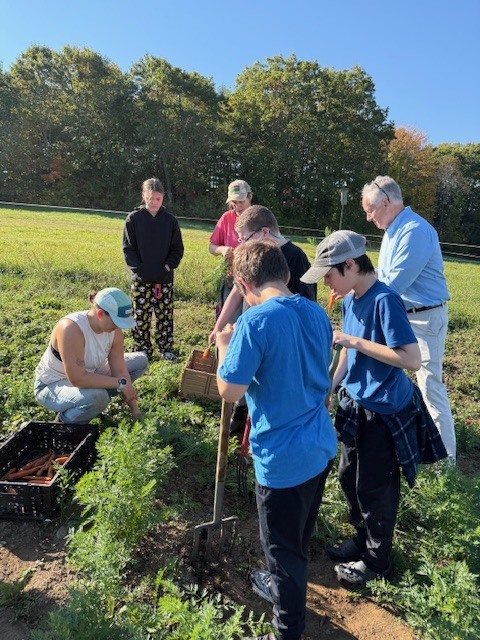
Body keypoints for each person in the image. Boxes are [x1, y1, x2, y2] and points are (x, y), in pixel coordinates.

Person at [300, 230, 447, 588]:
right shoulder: (351, 297)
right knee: (348, 478)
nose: (329, 285)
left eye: (331, 275)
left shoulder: (385, 301)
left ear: (350, 264)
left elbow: (410, 359)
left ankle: (378, 561)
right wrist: (331, 387)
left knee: (375, 488)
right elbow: (349, 354)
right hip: (356, 402)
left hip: (384, 410)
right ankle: (362, 540)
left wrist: (355, 341)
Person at [216, 240, 337, 640]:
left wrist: (223, 347)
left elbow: (230, 391)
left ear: (242, 282)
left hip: (282, 461)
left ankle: (286, 631)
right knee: (297, 536)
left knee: (283, 552)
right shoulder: (317, 313)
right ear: (286, 275)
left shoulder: (256, 322)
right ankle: (281, 582)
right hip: (319, 447)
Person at [361, 176, 456, 462]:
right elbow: (381, 275)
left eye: (370, 210)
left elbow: (393, 284)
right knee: (391, 376)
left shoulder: (415, 230)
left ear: (386, 203)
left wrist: (362, 293)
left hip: (425, 319)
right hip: (403, 314)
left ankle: (445, 465)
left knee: (430, 388)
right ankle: (401, 443)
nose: (368, 217)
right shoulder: (393, 229)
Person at [209, 204, 317, 435]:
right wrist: (219, 326)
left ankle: (247, 430)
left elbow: (306, 307)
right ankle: (240, 430)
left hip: (275, 344)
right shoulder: (253, 256)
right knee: (245, 384)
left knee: (261, 389)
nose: (241, 245)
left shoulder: (296, 259)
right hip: (252, 331)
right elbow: (239, 291)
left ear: (265, 232)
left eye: (244, 238)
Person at [34, 288, 148, 424]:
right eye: (116, 322)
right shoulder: (71, 329)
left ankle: (88, 405)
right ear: (100, 314)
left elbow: (120, 370)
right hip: (53, 384)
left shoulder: (114, 331)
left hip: (89, 373)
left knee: (140, 361)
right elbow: (78, 379)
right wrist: (121, 383)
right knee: (99, 397)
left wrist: (135, 410)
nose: (119, 327)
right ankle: (63, 422)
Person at [122, 177, 184, 362]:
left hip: (164, 279)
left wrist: (167, 266)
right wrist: (140, 269)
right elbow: (128, 249)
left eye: (158, 198)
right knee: (140, 317)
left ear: (163, 198)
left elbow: (177, 249)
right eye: (151, 198)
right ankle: (142, 350)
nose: (155, 202)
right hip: (141, 279)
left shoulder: (170, 221)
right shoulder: (133, 219)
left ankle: (166, 348)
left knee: (164, 316)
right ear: (144, 196)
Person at [209, 179, 253, 320]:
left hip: (253, 278)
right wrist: (222, 250)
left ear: (249, 197)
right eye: (234, 202)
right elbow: (212, 246)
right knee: (231, 319)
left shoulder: (259, 217)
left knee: (248, 318)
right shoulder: (226, 218)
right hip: (231, 277)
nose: (237, 206)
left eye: (241, 202)